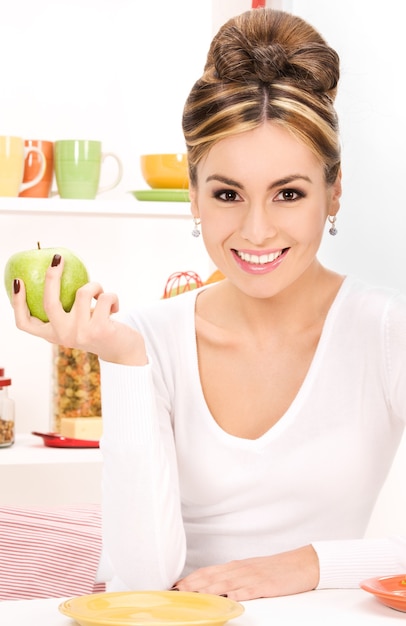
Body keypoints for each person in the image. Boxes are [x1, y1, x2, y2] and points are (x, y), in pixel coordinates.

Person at [11, 8, 406, 600]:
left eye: (288, 194)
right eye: (228, 193)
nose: (256, 230)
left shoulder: (383, 332)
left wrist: (305, 565)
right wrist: (123, 360)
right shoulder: (147, 337)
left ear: (335, 191)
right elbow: (141, 578)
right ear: (193, 196)